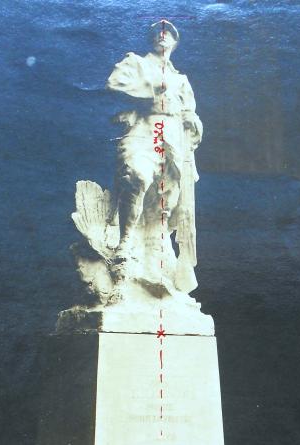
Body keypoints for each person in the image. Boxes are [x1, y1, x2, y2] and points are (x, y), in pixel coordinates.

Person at [106, 20, 203, 293]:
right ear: (151, 39)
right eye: (158, 32)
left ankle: (155, 259)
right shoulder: (136, 63)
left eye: (169, 33)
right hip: (143, 130)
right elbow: (113, 85)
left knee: (166, 204)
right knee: (136, 174)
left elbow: (190, 112)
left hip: (172, 140)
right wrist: (151, 91)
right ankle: (124, 242)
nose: (163, 36)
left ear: (175, 41)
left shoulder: (181, 80)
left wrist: (193, 123)